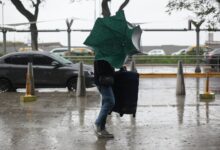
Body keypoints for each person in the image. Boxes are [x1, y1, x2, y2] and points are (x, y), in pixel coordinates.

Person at [93, 0, 130, 138]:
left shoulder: (106, 50)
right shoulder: (102, 49)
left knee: (106, 103)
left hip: (105, 78)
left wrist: (118, 67)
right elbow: (102, 66)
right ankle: (98, 124)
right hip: (103, 79)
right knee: (110, 102)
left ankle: (102, 130)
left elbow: (108, 65)